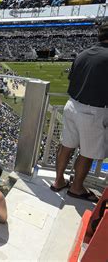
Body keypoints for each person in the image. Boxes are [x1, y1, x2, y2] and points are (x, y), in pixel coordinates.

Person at [51, 24, 108, 202]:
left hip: (72, 105)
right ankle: (76, 188)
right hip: (94, 110)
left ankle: (58, 181)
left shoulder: (83, 53)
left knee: (66, 146)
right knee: (87, 152)